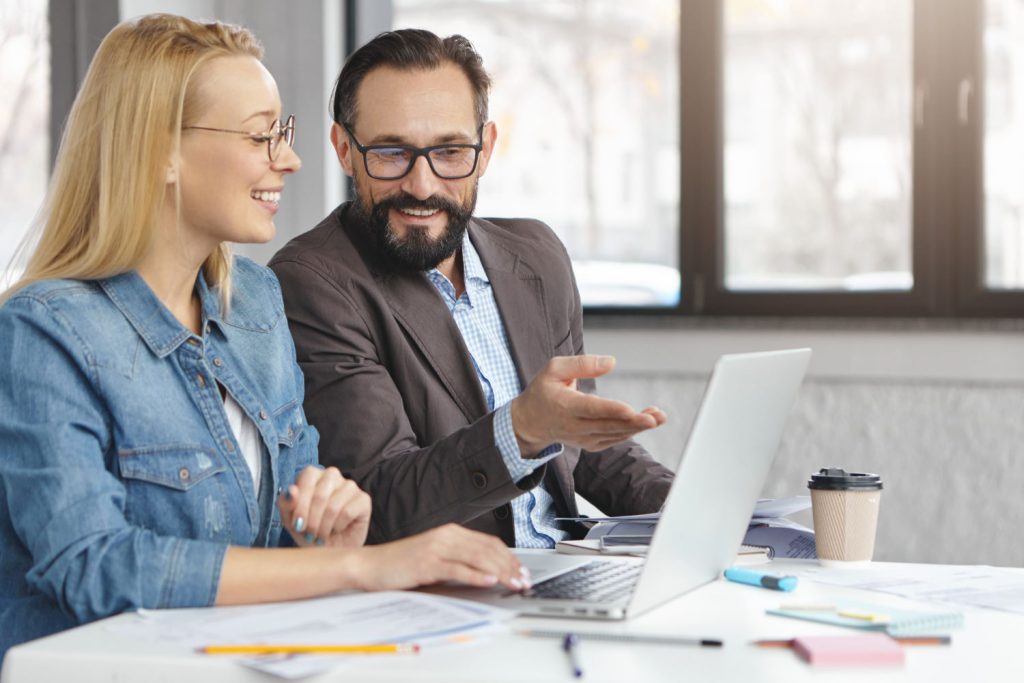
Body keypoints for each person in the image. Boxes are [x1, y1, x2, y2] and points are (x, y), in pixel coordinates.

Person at [0, 15, 525, 662]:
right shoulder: (41, 331)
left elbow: (281, 536)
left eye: (284, 132)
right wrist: (363, 567)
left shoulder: (253, 301)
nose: (290, 158)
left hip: (242, 660)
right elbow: (94, 565)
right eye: (261, 136)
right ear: (159, 149)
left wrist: (329, 532)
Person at [269, 29, 674, 548]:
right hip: (454, 594)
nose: (422, 184)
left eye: (451, 151)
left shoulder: (537, 254)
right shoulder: (313, 281)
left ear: (485, 151)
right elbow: (379, 498)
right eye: (392, 153)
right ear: (345, 150)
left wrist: (697, 514)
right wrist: (520, 430)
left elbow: (583, 448)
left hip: (569, 568)